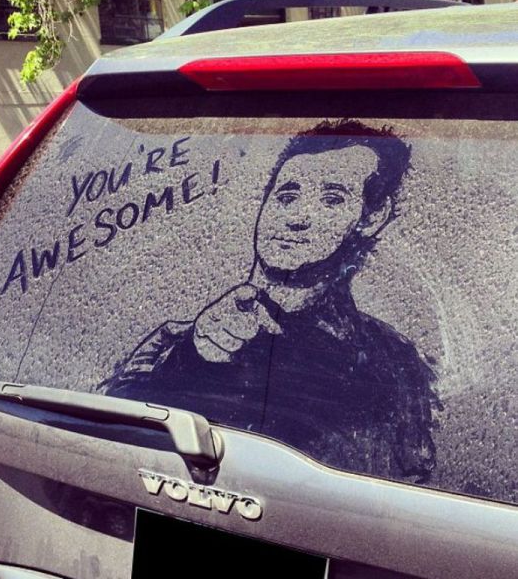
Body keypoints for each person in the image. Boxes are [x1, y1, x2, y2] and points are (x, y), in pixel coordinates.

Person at [101, 119, 441, 483]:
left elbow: (414, 485)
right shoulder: (177, 346)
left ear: (372, 216)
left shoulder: (397, 362)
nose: (297, 218)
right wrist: (193, 361)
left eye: (331, 199)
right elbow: (110, 449)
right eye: (287, 196)